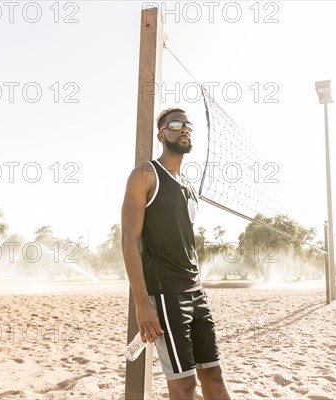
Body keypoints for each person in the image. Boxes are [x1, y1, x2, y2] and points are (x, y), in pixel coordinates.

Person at [121, 108, 231, 399]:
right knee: (184, 384)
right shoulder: (145, 175)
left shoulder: (189, 186)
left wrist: (198, 287)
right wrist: (142, 303)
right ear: (161, 133)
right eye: (176, 124)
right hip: (167, 295)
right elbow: (129, 240)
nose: (184, 129)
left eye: (188, 125)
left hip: (196, 292)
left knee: (213, 375)